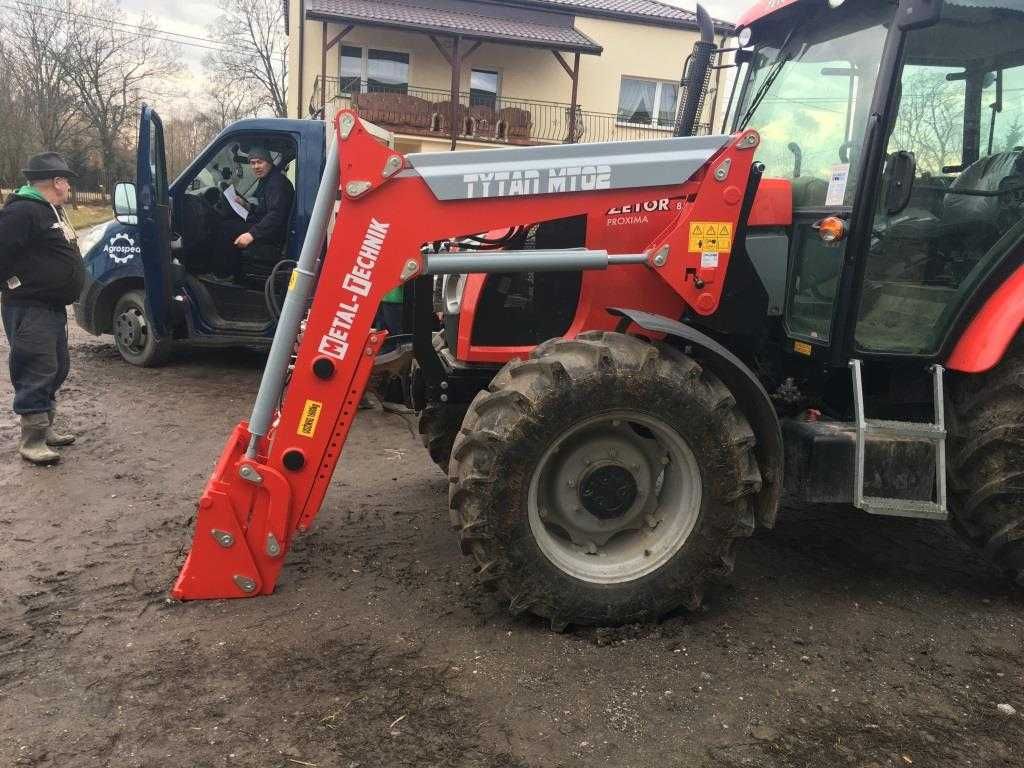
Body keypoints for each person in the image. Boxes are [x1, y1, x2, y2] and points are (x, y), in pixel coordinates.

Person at [0, 152, 85, 465]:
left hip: (50, 306)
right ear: (57, 182)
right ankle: (32, 438)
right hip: (29, 306)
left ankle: (46, 427)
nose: (69, 187)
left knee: (56, 365)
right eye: (67, 181)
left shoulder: (51, 210)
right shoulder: (21, 212)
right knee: (35, 366)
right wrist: (16, 284)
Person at [212, 146, 295, 282]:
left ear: (269, 162)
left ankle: (223, 275)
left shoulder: (276, 183)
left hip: (276, 233)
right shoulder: (268, 179)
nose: (256, 166)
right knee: (229, 225)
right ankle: (235, 271)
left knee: (226, 229)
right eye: (252, 163)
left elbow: (276, 216)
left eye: (260, 162)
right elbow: (266, 209)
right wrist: (247, 205)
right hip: (271, 227)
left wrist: (251, 234)